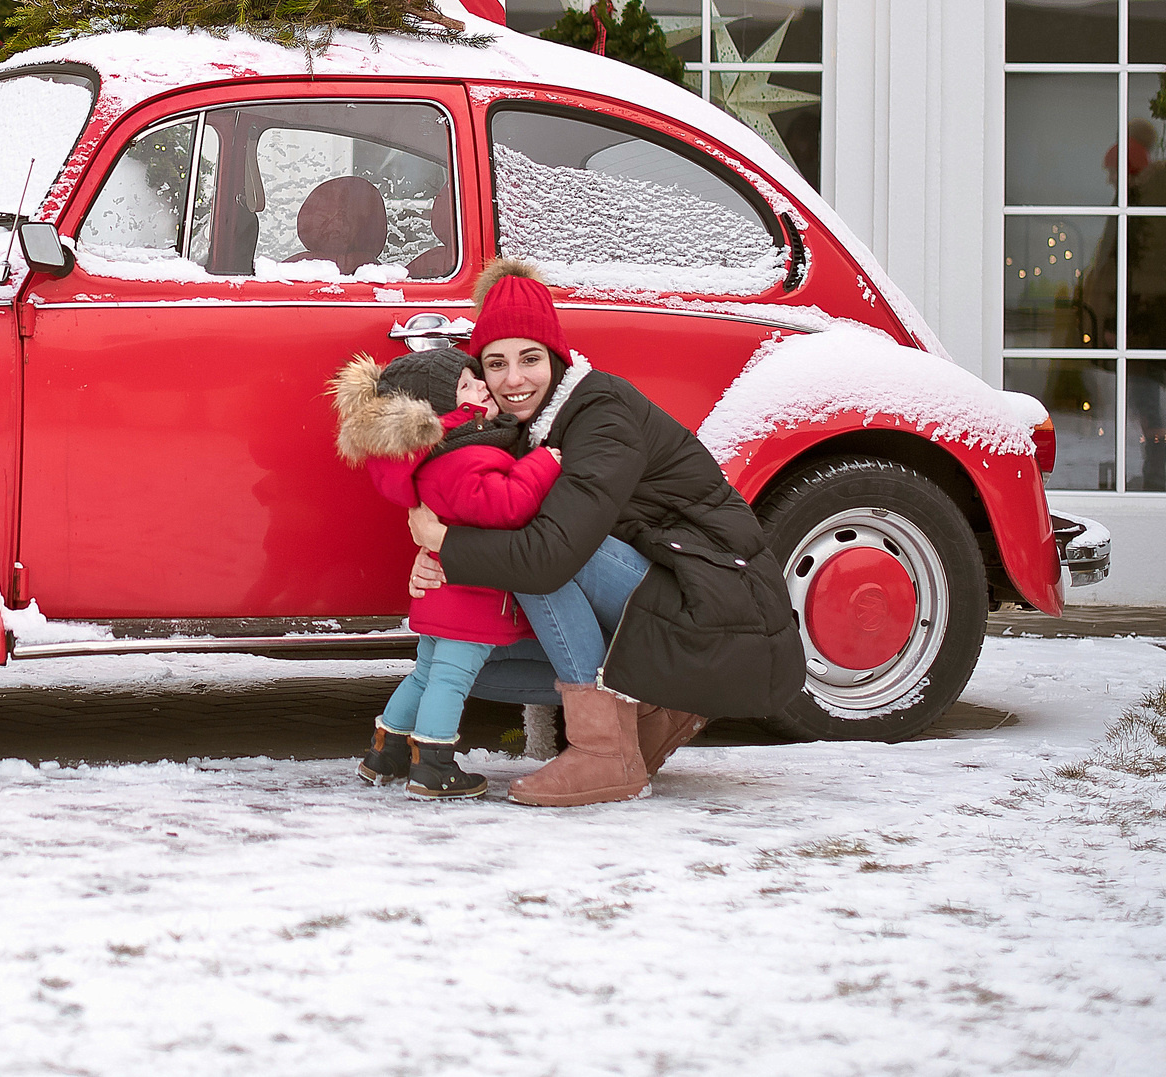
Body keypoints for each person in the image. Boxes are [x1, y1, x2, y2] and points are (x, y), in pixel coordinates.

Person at [408, 259, 808, 808]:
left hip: (722, 611)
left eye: (529, 359)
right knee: (475, 663)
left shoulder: (601, 413)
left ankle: (604, 753)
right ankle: (651, 710)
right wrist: (438, 553)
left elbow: (547, 559)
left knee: (540, 550)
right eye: (495, 364)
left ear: (556, 358)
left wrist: (448, 547)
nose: (513, 379)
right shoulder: (519, 430)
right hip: (664, 591)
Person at [331, 347, 558, 799]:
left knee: (425, 675)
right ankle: (434, 764)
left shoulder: (442, 453)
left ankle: (386, 751)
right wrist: (545, 462)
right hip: (468, 597)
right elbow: (505, 505)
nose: (484, 388)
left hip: (445, 593)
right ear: (437, 410)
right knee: (450, 681)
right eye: (467, 386)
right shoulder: (463, 457)